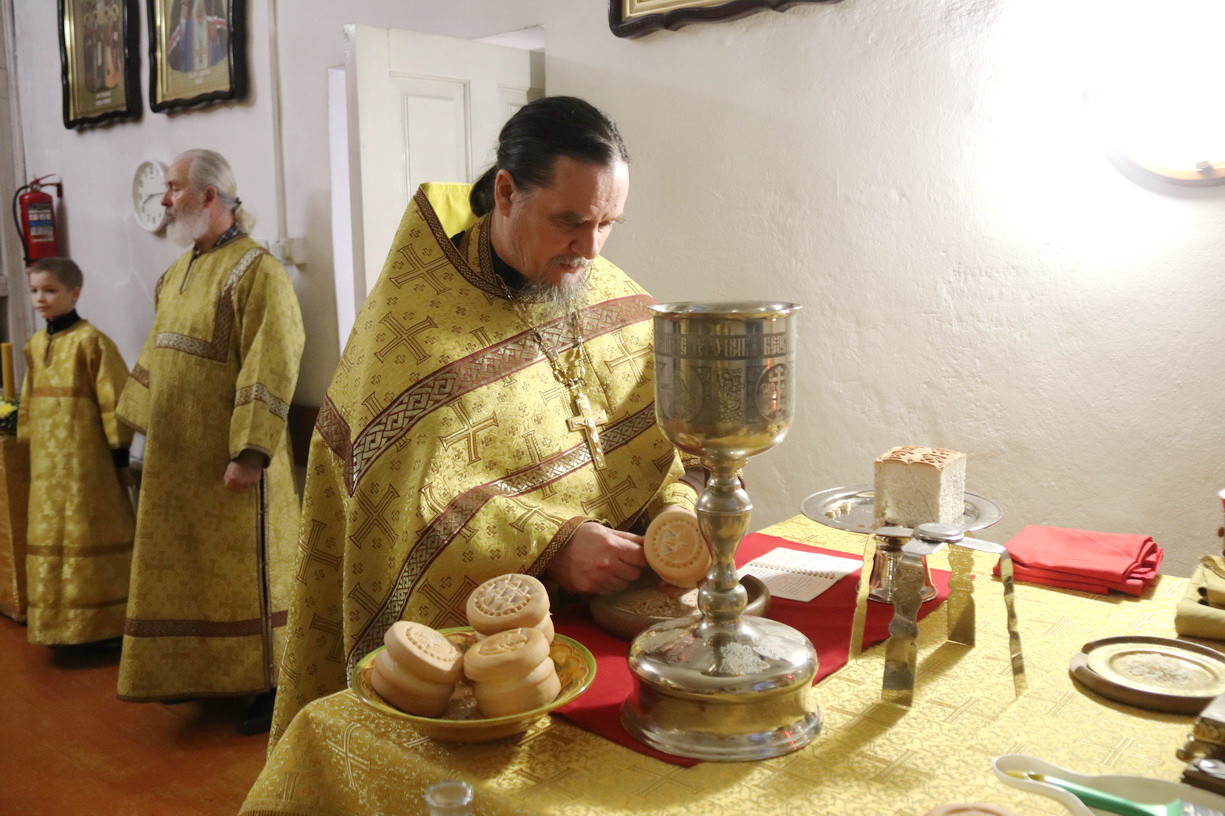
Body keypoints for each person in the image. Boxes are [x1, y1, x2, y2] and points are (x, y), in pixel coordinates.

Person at [270, 96, 702, 742]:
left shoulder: (615, 296)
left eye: (607, 223)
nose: (589, 248)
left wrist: (680, 507)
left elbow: (669, 447)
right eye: (569, 221)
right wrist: (552, 546)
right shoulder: (412, 334)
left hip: (625, 635)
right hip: (489, 668)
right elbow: (394, 512)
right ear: (505, 193)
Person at [115, 149, 304, 735]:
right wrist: (133, 429)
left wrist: (250, 453)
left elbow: (273, 360)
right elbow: (157, 356)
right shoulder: (176, 273)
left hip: (234, 464)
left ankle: (273, 684)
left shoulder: (258, 271)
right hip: (177, 462)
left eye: (173, 188)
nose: (165, 200)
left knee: (250, 577)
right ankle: (207, 672)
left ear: (209, 196)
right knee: (192, 572)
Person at [18, 257, 135, 647]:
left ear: (74, 293)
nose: (40, 298)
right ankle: (56, 625)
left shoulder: (92, 341)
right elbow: (28, 406)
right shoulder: (35, 345)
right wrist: (29, 449)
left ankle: (103, 627)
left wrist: (119, 455)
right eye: (34, 291)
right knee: (51, 540)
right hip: (46, 472)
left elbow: (115, 400)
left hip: (89, 467)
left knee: (88, 535)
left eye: (50, 290)